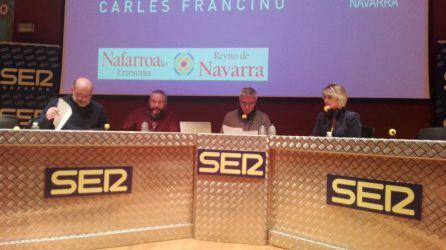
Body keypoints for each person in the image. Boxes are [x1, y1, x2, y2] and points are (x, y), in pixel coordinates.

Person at [37, 77, 109, 130]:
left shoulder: (98, 109)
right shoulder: (58, 103)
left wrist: (93, 133)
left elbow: (106, 130)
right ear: (72, 90)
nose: (82, 99)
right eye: (79, 95)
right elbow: (39, 127)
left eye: (86, 96)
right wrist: (47, 118)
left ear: (91, 94)